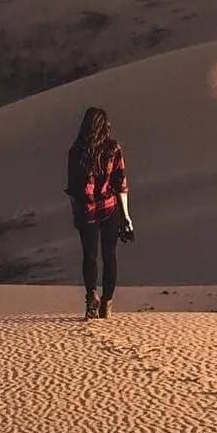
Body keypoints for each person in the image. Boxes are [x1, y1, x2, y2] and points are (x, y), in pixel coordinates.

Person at [64, 107, 134, 319]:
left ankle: (90, 296)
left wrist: (76, 214)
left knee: (90, 256)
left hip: (86, 211)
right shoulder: (113, 149)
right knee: (109, 256)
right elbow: (121, 184)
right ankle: (107, 303)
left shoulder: (76, 151)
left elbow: (73, 190)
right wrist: (126, 216)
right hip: (109, 208)